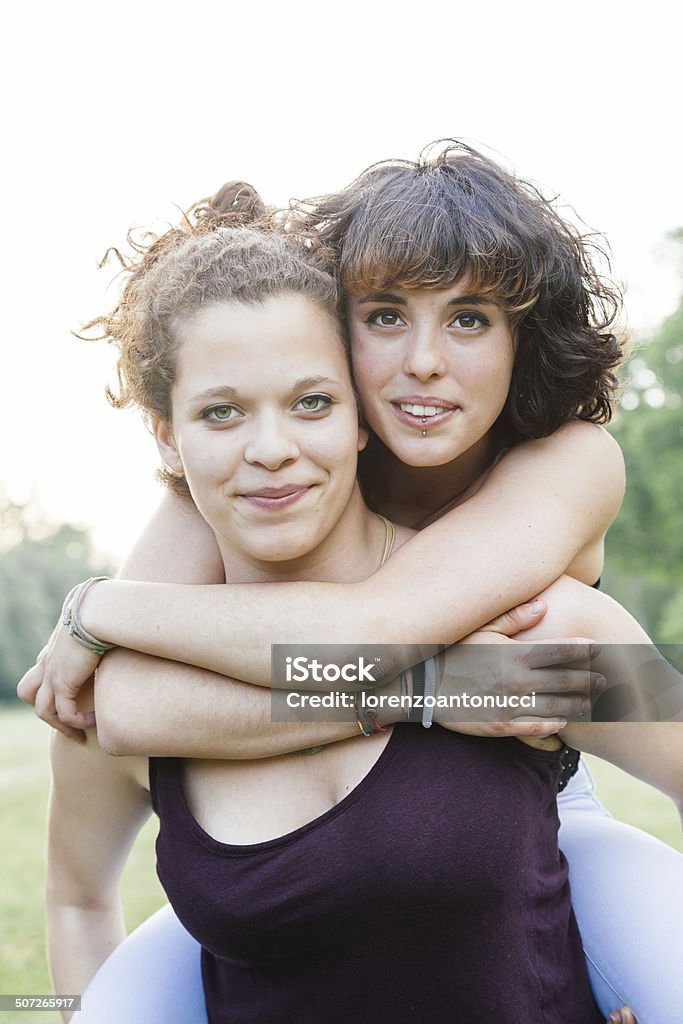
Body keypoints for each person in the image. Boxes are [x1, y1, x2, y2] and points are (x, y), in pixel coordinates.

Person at [21, 145, 683, 1021]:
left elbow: (383, 626)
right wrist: (432, 689)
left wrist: (100, 608)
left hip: (539, 786)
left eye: (471, 318)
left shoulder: (565, 484)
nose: (421, 362)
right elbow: (124, 710)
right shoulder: (249, 469)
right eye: (383, 315)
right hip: (305, 827)